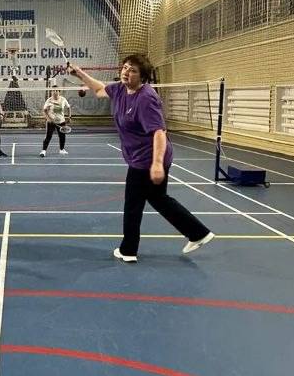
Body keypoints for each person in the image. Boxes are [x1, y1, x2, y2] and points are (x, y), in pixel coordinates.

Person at [68, 53, 214, 261]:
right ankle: (197, 232)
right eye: (126, 67)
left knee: (133, 204)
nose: (127, 72)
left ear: (142, 77)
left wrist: (156, 164)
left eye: (133, 70)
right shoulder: (120, 89)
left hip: (147, 158)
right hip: (141, 156)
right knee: (158, 198)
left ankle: (128, 250)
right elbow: (100, 89)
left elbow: (159, 132)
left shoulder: (146, 98)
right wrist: (80, 74)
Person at [40, 88, 70, 157]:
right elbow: (44, 110)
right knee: (48, 136)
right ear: (51, 92)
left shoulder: (63, 99)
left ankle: (61, 150)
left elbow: (68, 107)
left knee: (62, 136)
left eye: (56, 90)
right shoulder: (49, 100)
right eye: (53, 90)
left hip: (61, 121)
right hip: (51, 122)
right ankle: (43, 151)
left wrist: (69, 117)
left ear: (59, 92)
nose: (55, 92)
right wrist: (48, 119)